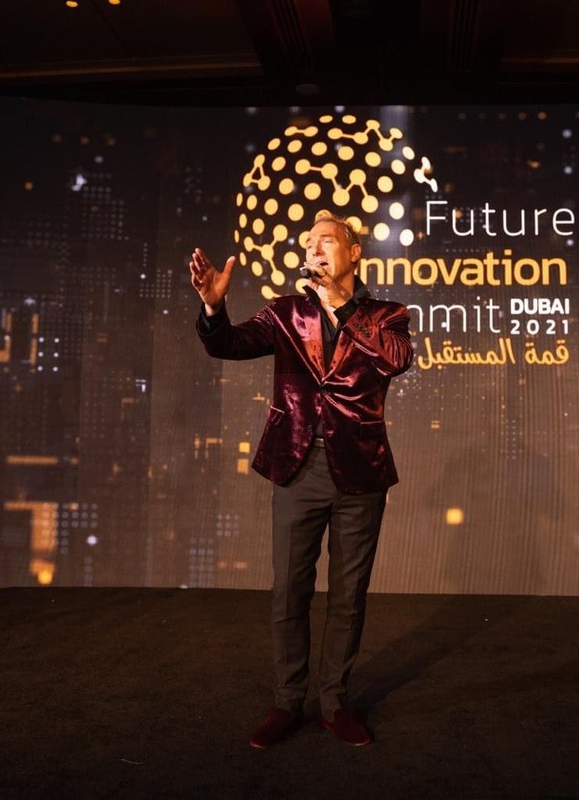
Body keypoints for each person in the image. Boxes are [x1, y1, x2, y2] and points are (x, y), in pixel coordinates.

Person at [189, 210, 413, 748]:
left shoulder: (387, 315)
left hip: (361, 472)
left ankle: (334, 703)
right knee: (289, 591)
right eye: (309, 243)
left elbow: (396, 360)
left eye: (326, 241)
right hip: (297, 466)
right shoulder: (286, 312)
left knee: (348, 596)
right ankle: (288, 701)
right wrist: (214, 307)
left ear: (353, 253)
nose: (314, 249)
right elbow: (227, 344)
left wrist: (340, 301)